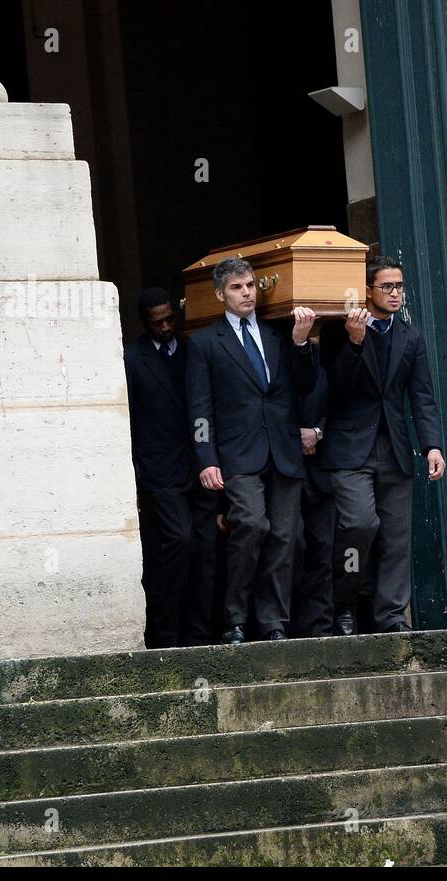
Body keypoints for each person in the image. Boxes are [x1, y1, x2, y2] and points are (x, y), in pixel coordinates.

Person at [186, 257, 318, 645]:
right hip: (237, 455)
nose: (246, 293)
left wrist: (300, 342)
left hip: (283, 451)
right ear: (219, 295)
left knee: (285, 536)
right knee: (252, 525)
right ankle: (234, 621)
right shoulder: (205, 343)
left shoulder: (279, 335)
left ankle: (274, 623)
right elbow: (199, 408)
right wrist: (206, 458)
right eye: (237, 288)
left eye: (250, 285)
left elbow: (305, 385)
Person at [319, 256, 445, 635]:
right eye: (387, 287)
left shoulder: (410, 336)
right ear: (368, 290)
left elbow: (421, 397)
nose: (395, 293)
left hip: (393, 448)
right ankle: (345, 604)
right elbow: (334, 389)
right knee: (359, 525)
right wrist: (356, 344)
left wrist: (432, 447)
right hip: (348, 448)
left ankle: (390, 616)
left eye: (400, 286)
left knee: (395, 537)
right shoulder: (339, 331)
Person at [123, 288, 219, 647]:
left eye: (169, 319)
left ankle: (199, 635)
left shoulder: (193, 349)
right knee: (180, 542)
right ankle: (164, 635)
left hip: (199, 466)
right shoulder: (132, 357)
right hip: (158, 471)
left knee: (205, 550)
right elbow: (130, 418)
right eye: (157, 322)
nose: (165, 327)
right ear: (144, 322)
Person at [290, 367, 336, 638]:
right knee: (288, 543)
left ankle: (321, 628)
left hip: (326, 464)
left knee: (324, 547)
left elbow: (349, 401)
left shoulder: (336, 346)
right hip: (280, 463)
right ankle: (285, 628)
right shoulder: (272, 345)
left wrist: (318, 432)